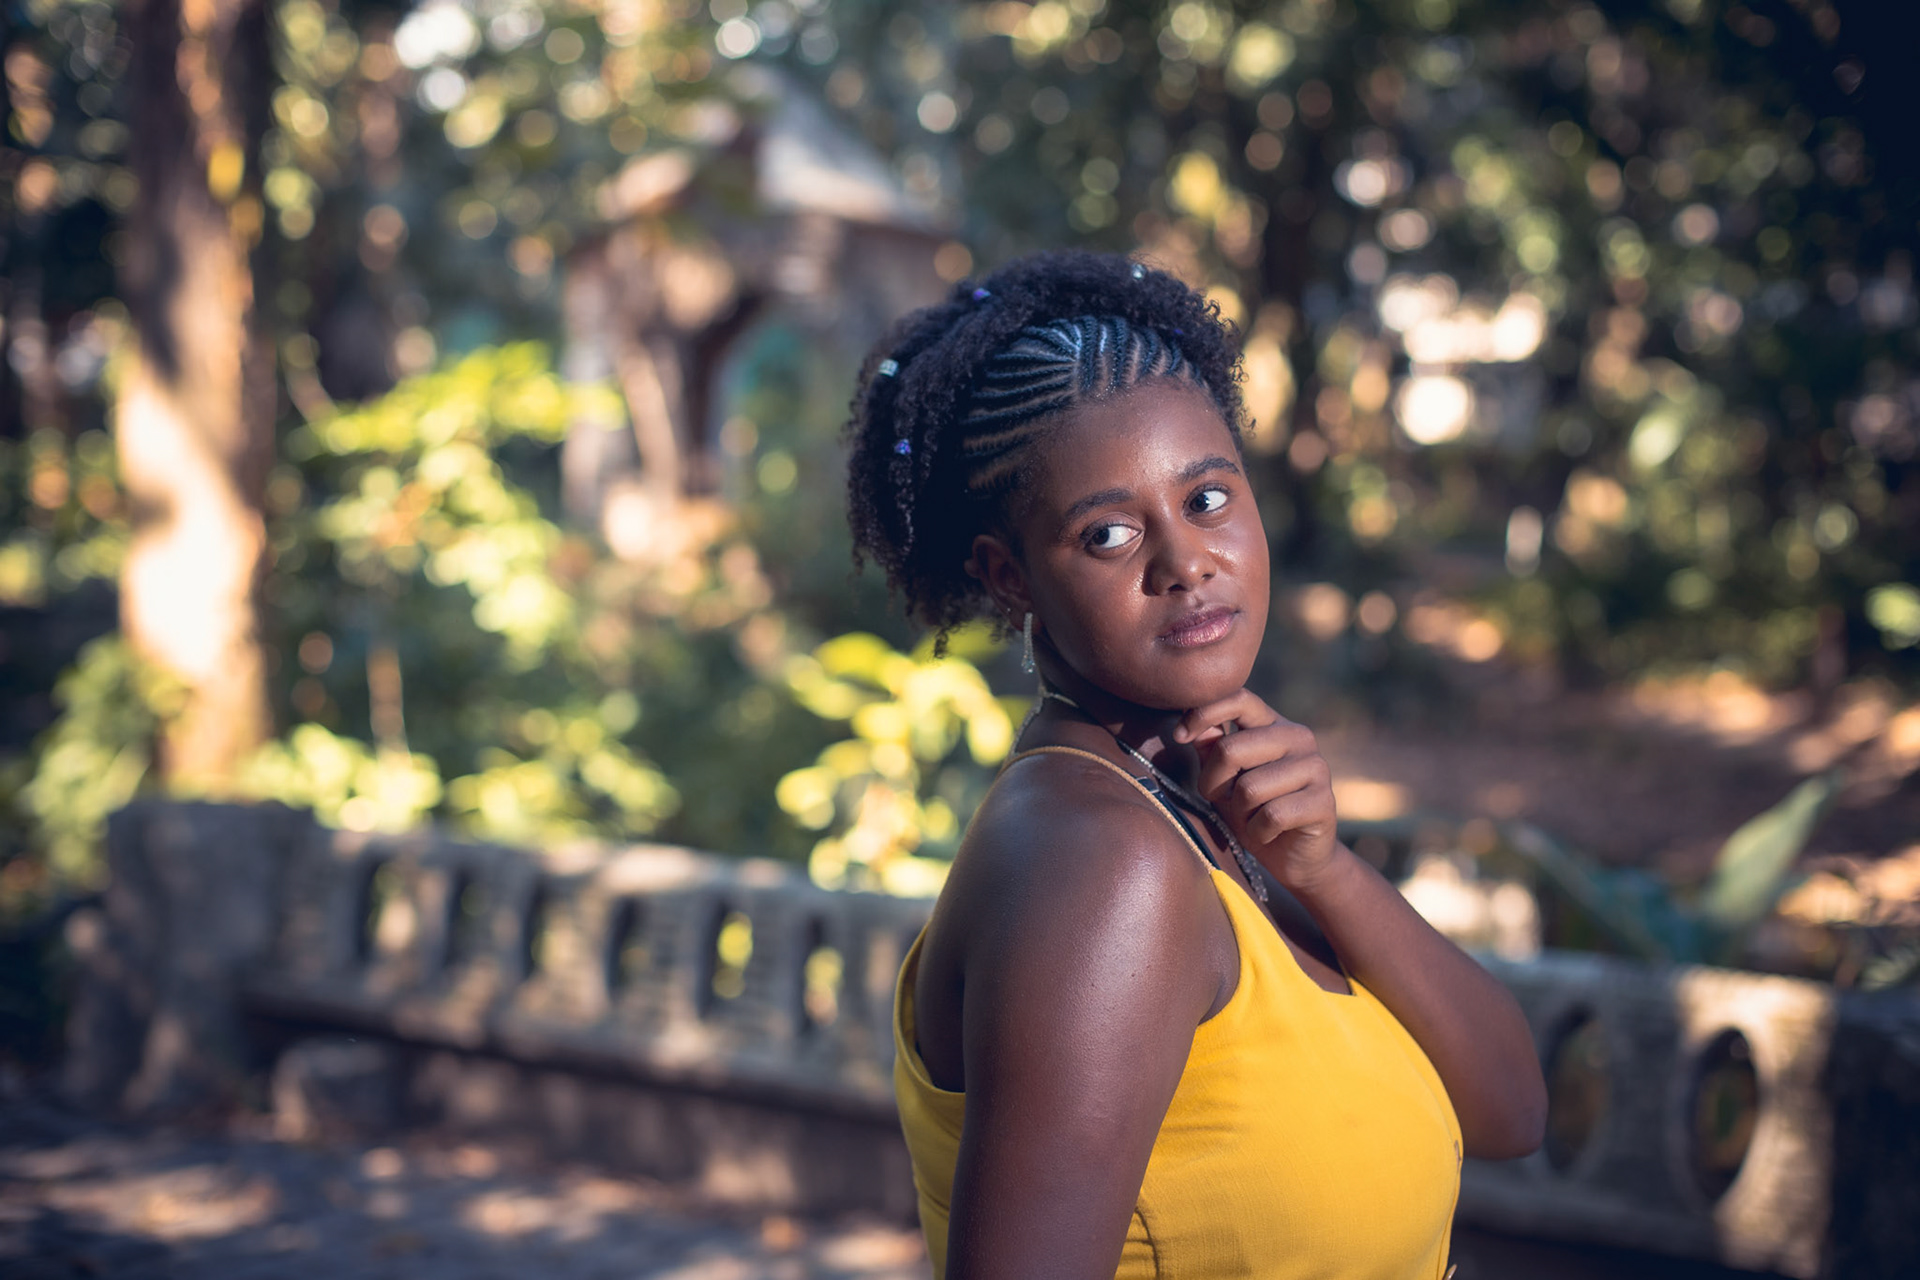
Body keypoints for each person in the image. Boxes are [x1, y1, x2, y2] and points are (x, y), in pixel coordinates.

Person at [844, 250, 1546, 1280]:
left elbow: (1512, 1112)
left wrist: (1325, 870)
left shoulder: (1197, 807)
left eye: (1208, 498)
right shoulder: (1099, 863)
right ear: (1010, 574)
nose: (1185, 563)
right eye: (1109, 533)